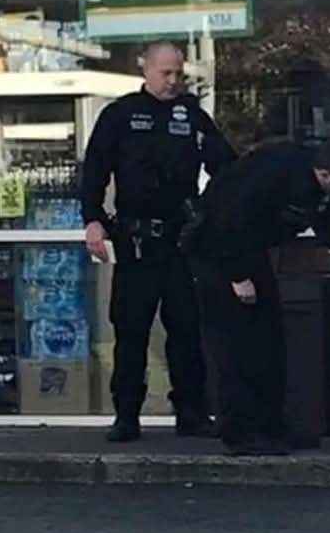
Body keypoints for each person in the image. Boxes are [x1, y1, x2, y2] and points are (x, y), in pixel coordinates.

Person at [184, 136, 330, 456]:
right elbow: (227, 219)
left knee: (269, 343)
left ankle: (272, 427)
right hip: (216, 253)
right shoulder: (274, 172)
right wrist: (237, 276)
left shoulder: (319, 192)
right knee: (236, 347)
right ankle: (239, 433)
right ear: (325, 174)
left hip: (252, 252)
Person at [81, 41, 237, 442]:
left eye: (178, 73)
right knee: (131, 331)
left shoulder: (192, 115)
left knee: (186, 330)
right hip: (137, 241)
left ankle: (191, 413)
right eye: (165, 73)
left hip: (181, 241)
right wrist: (93, 219)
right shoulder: (120, 115)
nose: (173, 81)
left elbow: (226, 167)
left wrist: (209, 211)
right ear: (145, 69)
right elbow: (95, 170)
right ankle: (126, 415)